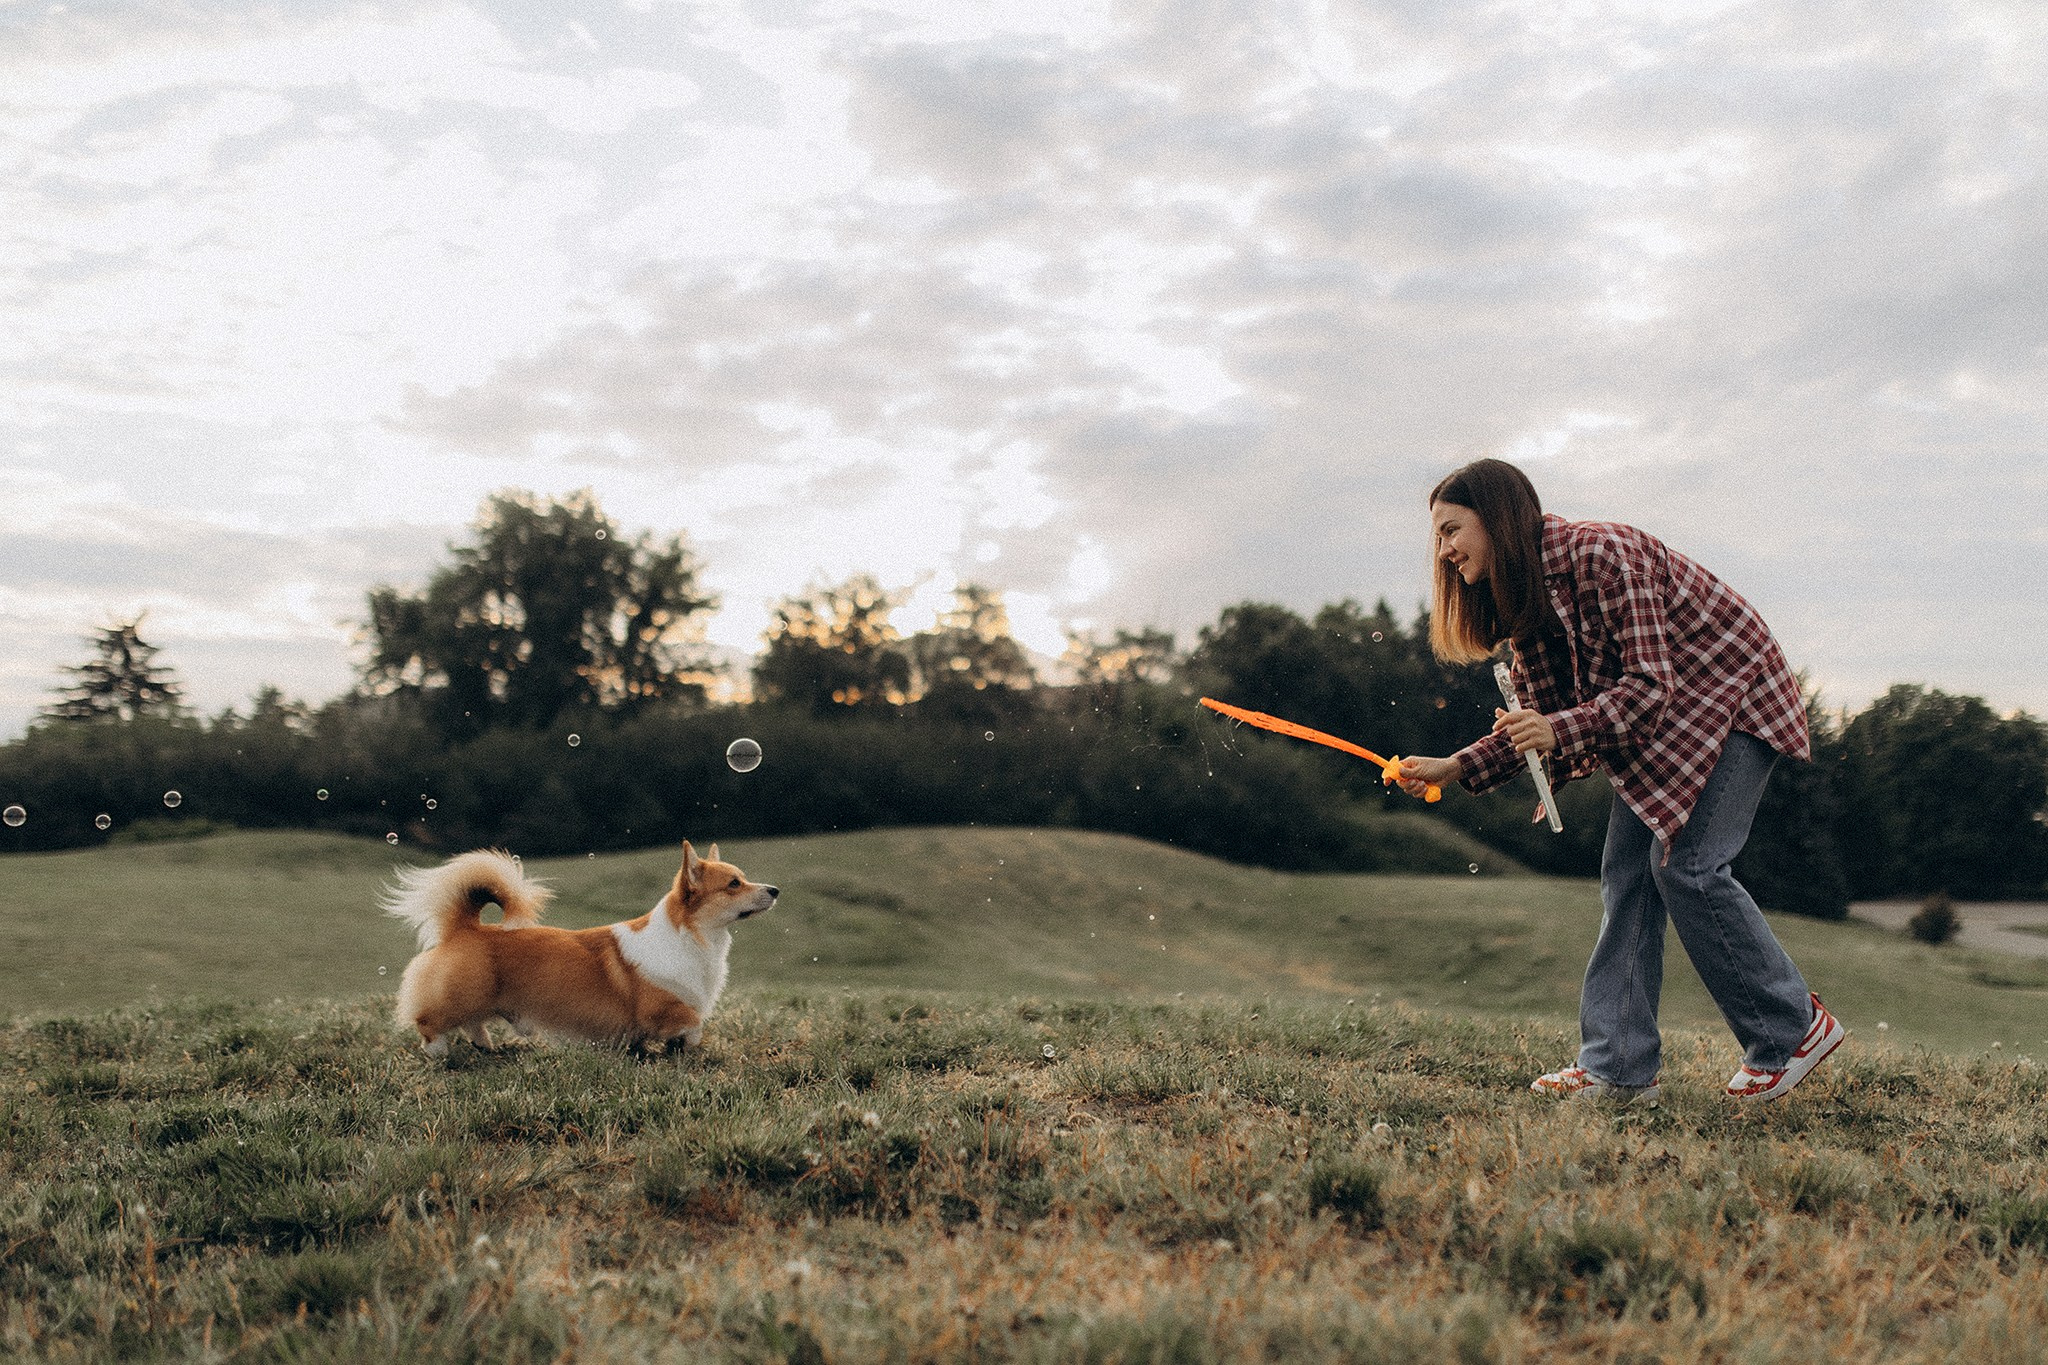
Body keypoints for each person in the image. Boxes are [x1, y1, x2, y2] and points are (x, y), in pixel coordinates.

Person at [1396, 458, 1842, 1104]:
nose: (1443, 552)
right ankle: (1620, 1069)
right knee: (1628, 873)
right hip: (1667, 721)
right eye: (1437, 536)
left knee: (1687, 866)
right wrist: (1457, 765)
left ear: (1496, 518)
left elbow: (1651, 686)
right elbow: (1542, 727)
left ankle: (1792, 1029)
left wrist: (1557, 729)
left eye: (1451, 529)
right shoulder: (1529, 606)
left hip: (1733, 696)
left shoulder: (1603, 554)